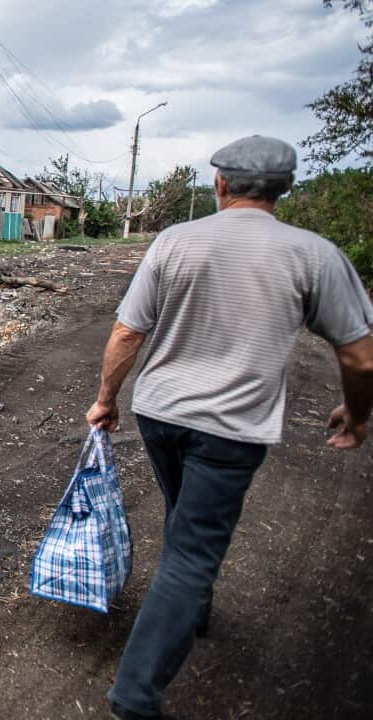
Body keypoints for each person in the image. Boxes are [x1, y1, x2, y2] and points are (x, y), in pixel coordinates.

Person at [84, 135, 373, 720]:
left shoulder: (174, 241)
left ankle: (192, 605)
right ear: (285, 189)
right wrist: (358, 413)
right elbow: (361, 356)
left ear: (220, 184)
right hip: (231, 429)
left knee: (184, 518)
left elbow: (126, 333)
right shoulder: (314, 255)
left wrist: (106, 399)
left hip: (160, 414)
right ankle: (136, 694)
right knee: (193, 552)